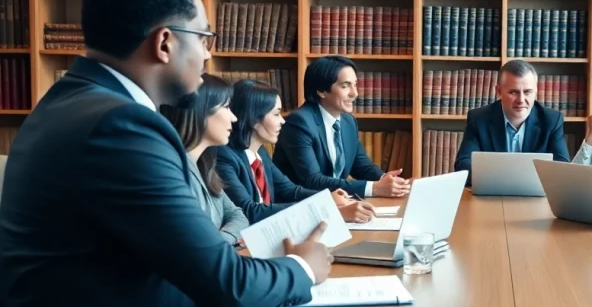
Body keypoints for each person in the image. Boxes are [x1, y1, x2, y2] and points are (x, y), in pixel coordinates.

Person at [0, 0, 332, 307]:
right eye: (204, 37)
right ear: (164, 43)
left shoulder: (68, 102)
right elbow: (228, 286)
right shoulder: (122, 126)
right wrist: (303, 267)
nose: (209, 52)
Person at [216, 79, 375, 224]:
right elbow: (249, 211)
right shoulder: (224, 156)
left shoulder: (260, 152)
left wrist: (328, 200)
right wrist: (328, 211)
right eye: (276, 114)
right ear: (253, 118)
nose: (282, 120)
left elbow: (289, 190)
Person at [274, 55, 410, 199]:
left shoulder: (347, 121)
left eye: (355, 84)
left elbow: (361, 166)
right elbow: (312, 180)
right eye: (345, 86)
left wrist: (385, 179)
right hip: (298, 207)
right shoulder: (299, 123)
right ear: (321, 91)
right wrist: (374, 188)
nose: (354, 93)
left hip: (336, 203)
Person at [160, 73, 250, 245]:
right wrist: (219, 244)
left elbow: (237, 215)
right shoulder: (176, 170)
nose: (234, 118)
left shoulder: (204, 163)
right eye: (226, 107)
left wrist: (221, 240)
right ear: (199, 111)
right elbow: (195, 242)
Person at [454, 59, 570, 183]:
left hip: (535, 197)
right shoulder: (478, 118)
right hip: (492, 195)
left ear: (536, 91)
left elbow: (562, 168)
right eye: (513, 92)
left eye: (527, 92)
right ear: (499, 91)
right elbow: (462, 166)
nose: (521, 100)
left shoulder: (551, 120)